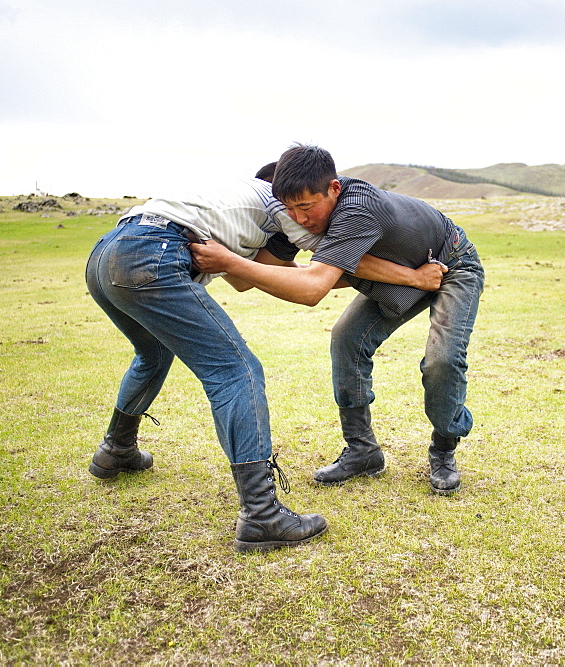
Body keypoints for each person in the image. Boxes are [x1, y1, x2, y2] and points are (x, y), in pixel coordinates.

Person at [85, 176, 444, 552]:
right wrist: (413, 277)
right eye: (293, 207)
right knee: (236, 371)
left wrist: (237, 259)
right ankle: (260, 513)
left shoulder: (229, 201)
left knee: (152, 353)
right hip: (150, 252)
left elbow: (243, 279)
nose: (299, 216)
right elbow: (331, 266)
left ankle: (117, 449)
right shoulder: (279, 203)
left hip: (108, 253)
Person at [189, 144, 485, 496]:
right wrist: (224, 248)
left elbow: (315, 286)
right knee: (346, 338)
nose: (299, 219)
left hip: (452, 264)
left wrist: (228, 261)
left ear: (333, 189)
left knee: (443, 359)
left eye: (306, 207)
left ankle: (444, 447)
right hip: (406, 272)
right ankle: (363, 451)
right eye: (288, 208)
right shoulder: (295, 214)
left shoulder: (358, 207)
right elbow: (251, 278)